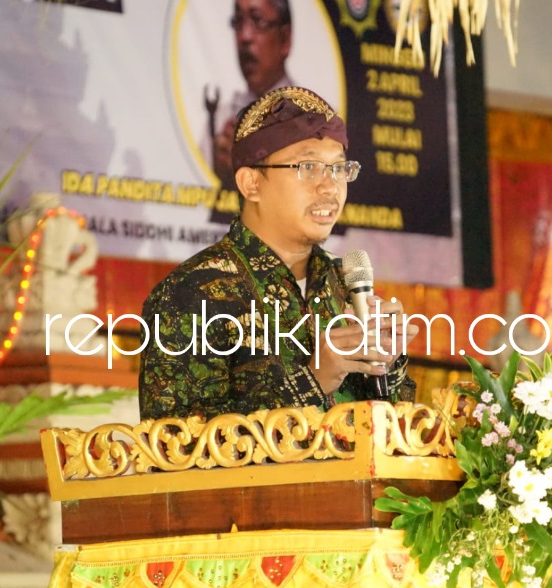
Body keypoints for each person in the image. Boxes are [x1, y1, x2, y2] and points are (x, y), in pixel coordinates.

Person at [141, 86, 418, 420]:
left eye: (339, 169)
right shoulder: (190, 293)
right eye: (309, 167)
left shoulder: (343, 285)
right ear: (251, 184)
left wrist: (389, 361)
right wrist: (313, 382)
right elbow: (173, 442)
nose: (330, 187)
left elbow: (391, 424)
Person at [207, 0, 294, 194]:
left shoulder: (316, 121)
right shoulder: (220, 120)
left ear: (285, 39)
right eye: (238, 21)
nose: (244, 37)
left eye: (258, 21)